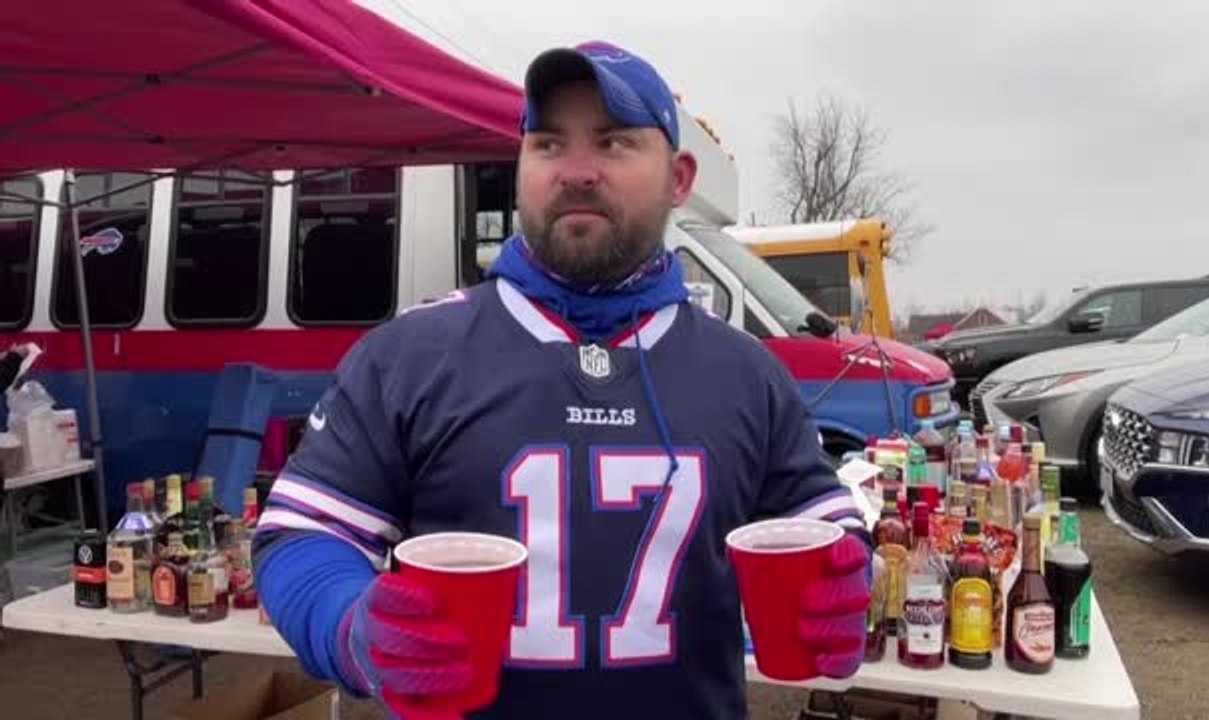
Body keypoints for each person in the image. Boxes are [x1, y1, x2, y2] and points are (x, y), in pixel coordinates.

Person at [252, 40, 870, 720]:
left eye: (612, 144)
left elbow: (824, 524)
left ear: (679, 177)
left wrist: (842, 588)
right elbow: (301, 535)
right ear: (519, 168)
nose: (577, 171)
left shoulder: (748, 373)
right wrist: (350, 626)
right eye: (548, 144)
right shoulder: (408, 356)